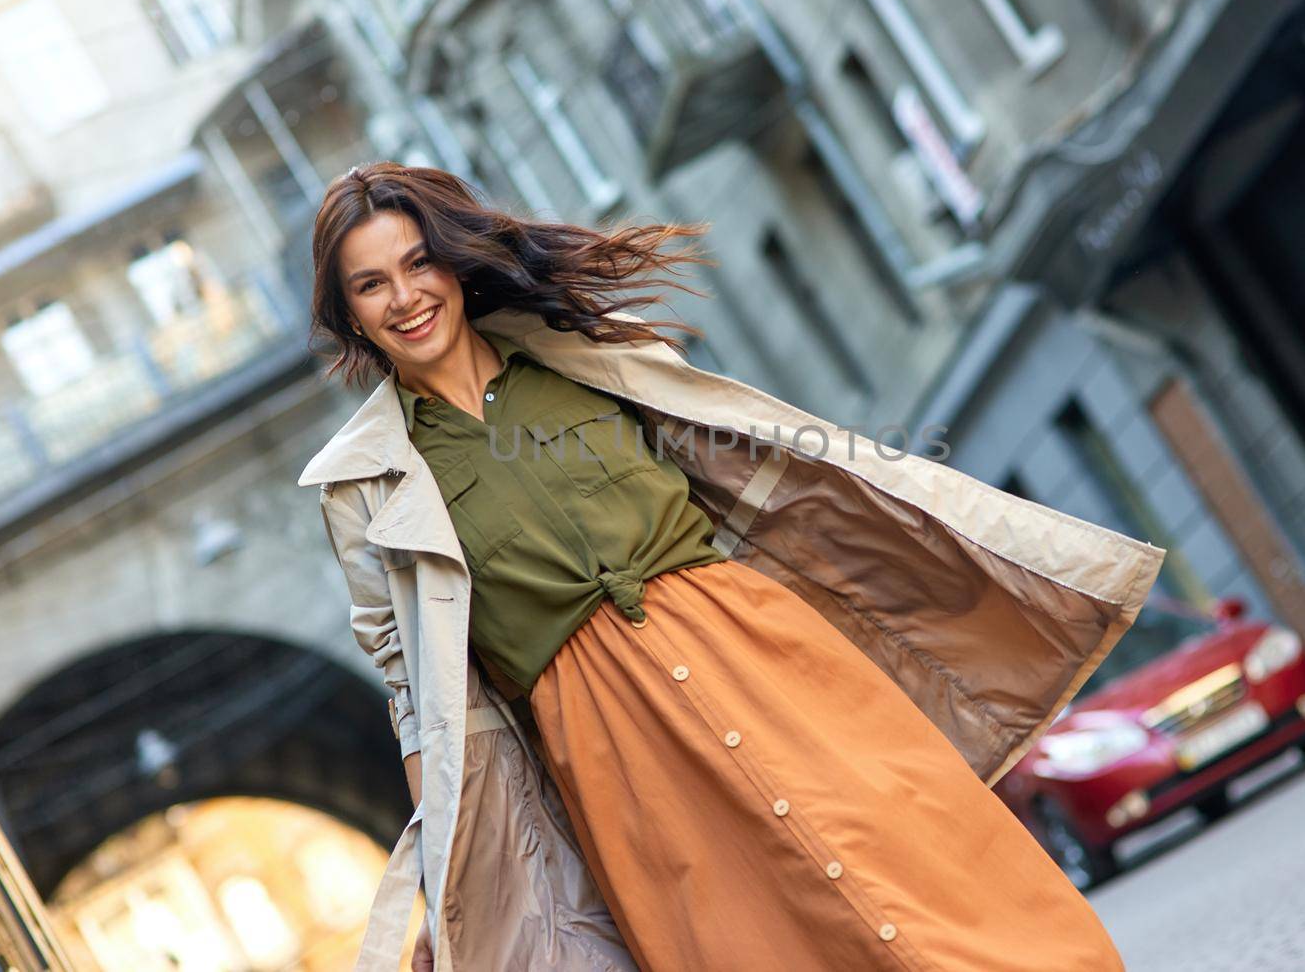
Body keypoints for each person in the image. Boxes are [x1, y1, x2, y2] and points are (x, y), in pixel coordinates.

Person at [300, 163, 1163, 970]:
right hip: (610, 747)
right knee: (742, 941)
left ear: (454, 264)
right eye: (371, 284)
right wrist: (451, 862)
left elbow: (759, 473)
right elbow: (412, 687)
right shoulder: (363, 482)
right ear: (347, 314)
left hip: (759, 653)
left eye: (419, 265)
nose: (406, 298)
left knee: (922, 862)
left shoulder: (583, 353)